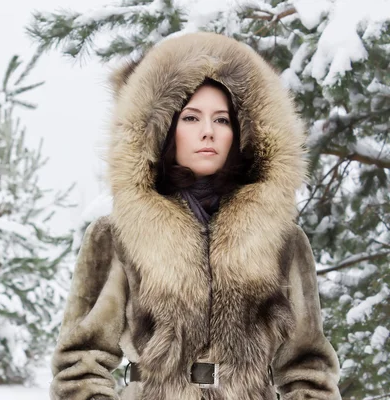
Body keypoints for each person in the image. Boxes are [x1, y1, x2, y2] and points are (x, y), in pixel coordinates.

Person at [49, 32, 341, 400]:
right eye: (190, 117)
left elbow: (308, 367)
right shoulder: (117, 234)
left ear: (242, 132)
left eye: (222, 120)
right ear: (164, 128)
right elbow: (81, 362)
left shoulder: (283, 239)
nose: (208, 132)